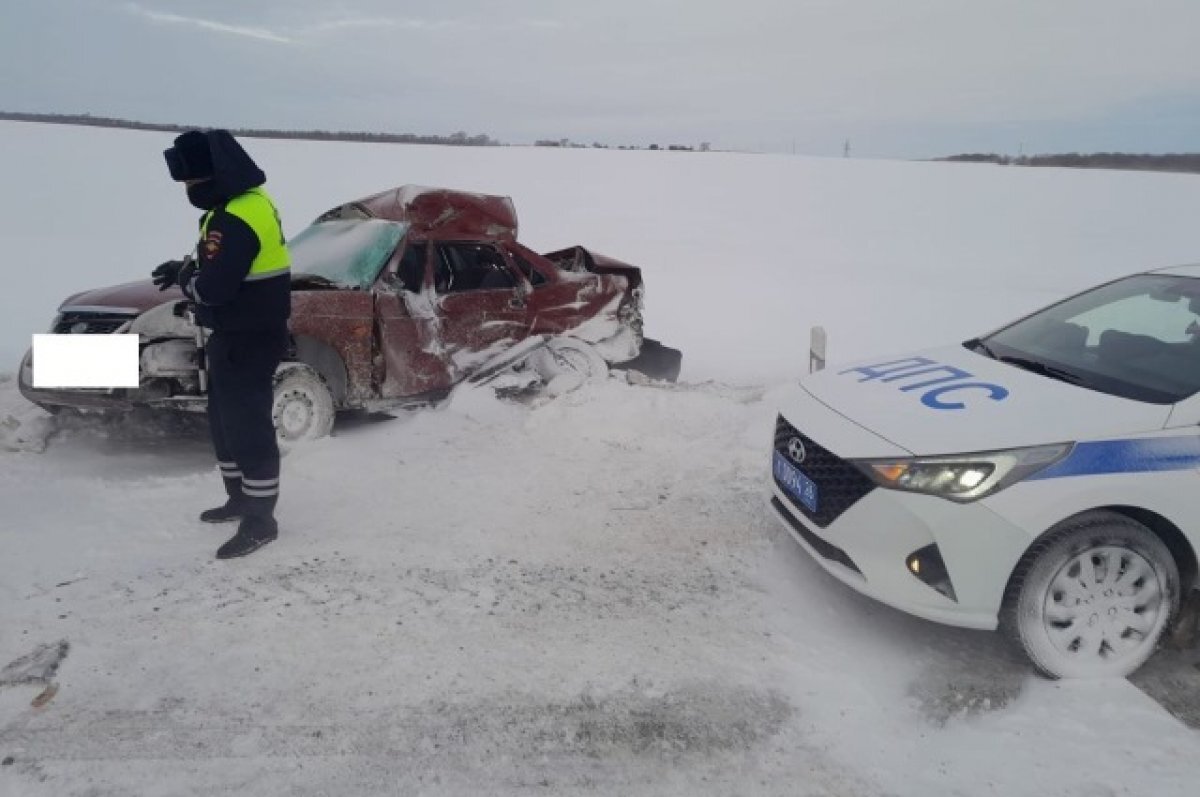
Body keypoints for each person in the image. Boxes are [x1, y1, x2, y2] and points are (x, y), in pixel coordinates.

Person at [151, 130, 291, 559]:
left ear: (212, 177)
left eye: (190, 182)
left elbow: (213, 289)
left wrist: (185, 280)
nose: (188, 191)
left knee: (247, 425)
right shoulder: (242, 204)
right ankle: (239, 498)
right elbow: (227, 261)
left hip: (247, 336)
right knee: (225, 420)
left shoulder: (234, 217)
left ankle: (261, 518)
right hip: (236, 334)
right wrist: (189, 265)